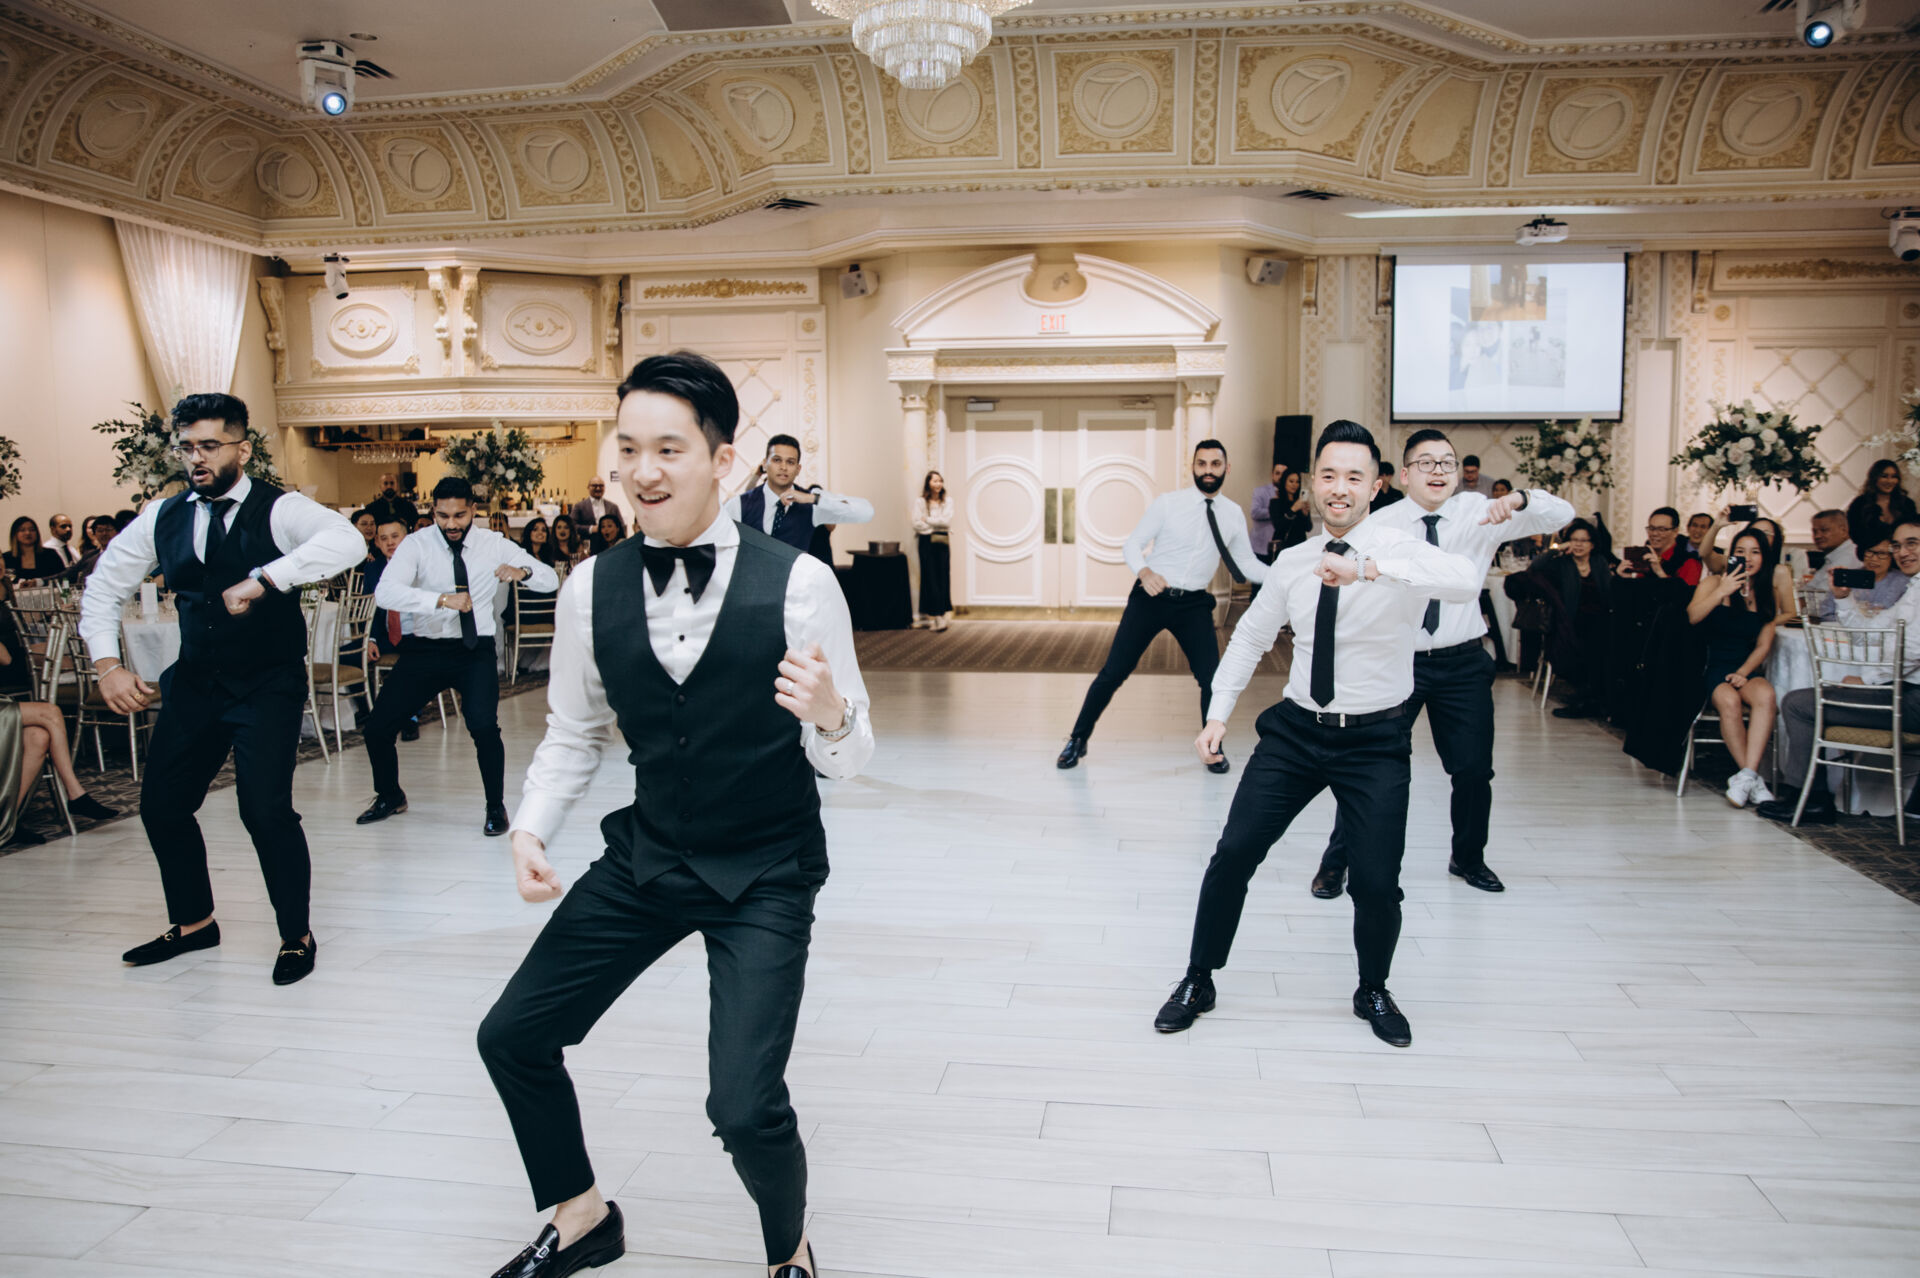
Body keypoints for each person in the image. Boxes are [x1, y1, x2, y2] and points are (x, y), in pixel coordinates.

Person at [476, 351, 871, 1278]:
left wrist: (829, 715)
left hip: (766, 869)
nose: (642, 471)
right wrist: (532, 827)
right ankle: (582, 1216)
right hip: (648, 857)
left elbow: (851, 759)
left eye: (668, 449)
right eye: (628, 448)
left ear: (722, 460)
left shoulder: (800, 583)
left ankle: (789, 1252)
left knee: (743, 1106)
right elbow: (574, 730)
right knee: (513, 1035)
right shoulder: (589, 587)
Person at [1153, 420, 1480, 1047]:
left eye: (1354, 476)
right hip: (1297, 733)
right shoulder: (1295, 561)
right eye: (1328, 475)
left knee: (1377, 882)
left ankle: (1373, 989)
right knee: (1233, 854)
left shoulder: (1401, 550)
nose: (1339, 488)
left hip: (1376, 740)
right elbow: (1251, 636)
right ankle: (1199, 978)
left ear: (1377, 486)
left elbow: (1464, 583)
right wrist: (1217, 713)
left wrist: (1370, 571)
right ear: (1311, 485)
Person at [81, 392, 364, 985]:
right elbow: (103, 589)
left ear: (243, 447)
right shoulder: (163, 516)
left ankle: (296, 935)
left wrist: (264, 578)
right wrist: (108, 664)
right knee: (162, 806)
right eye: (187, 447)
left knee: (264, 811)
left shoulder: (280, 509)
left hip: (267, 684)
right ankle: (194, 924)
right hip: (195, 683)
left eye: (210, 445)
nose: (197, 458)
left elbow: (347, 541)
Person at [1310, 429, 1573, 900]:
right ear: (1404, 474)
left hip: (1462, 662)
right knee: (1370, 767)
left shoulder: (1480, 513)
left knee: (1473, 770)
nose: (1438, 471)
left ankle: (1468, 858)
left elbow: (1563, 515)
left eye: (1447, 463)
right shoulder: (1381, 522)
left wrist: (1519, 499)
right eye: (1426, 463)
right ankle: (1337, 863)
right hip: (1397, 661)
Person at [356, 476, 558, 837]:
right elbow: (386, 592)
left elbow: (549, 579)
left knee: (483, 726)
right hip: (425, 648)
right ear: (434, 511)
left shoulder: (493, 543)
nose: (451, 524)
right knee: (377, 728)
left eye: (459, 516)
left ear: (473, 510)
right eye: (443, 515)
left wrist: (523, 571)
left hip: (474, 650)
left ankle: (495, 807)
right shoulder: (416, 544)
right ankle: (390, 795)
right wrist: (439, 600)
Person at [1057, 439, 1267, 774]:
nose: (1208, 470)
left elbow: (1247, 564)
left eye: (1215, 464)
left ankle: (1212, 748)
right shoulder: (1169, 504)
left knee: (1212, 679)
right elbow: (1133, 544)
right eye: (1202, 464)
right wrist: (1144, 571)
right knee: (1113, 672)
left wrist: (1285, 575)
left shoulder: (1232, 514)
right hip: (1151, 597)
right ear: (1192, 467)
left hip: (1194, 604)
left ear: (1227, 468)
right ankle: (1077, 739)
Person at [1760, 519, 1920, 826]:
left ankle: (1811, 798)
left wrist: (1868, 680)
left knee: (1799, 704)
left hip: (1912, 701)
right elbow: (1868, 633)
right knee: (1802, 701)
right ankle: (1810, 797)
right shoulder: (1914, 589)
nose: (1902, 552)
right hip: (1903, 694)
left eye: (1911, 543)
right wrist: (1844, 597)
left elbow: (1913, 651)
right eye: (1897, 546)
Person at [1687, 527, 1782, 807]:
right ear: (1730, 555)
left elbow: (1763, 645)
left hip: (1745, 667)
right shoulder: (1714, 582)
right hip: (1712, 664)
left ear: (1765, 557)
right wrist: (1723, 591)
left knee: (1766, 695)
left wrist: (1743, 673)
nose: (1747, 558)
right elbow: (1692, 616)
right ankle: (1752, 777)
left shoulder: (1767, 593)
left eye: (1755, 552)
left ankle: (1746, 777)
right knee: (1729, 701)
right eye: (1740, 552)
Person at [724, 435, 874, 558]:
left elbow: (866, 512)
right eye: (777, 460)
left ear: (798, 469)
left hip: (795, 585)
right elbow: (722, 550)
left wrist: (812, 498)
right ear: (764, 464)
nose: (783, 467)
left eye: (790, 462)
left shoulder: (812, 505)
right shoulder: (739, 505)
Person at [1527, 520, 1613, 719]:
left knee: (1605, 646)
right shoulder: (1561, 564)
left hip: (1599, 622)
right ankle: (1583, 699)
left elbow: (1608, 592)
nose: (1579, 545)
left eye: (1584, 540)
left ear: (1592, 544)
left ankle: (1591, 699)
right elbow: (1535, 567)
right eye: (1574, 540)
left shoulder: (1599, 562)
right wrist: (1557, 549)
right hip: (1568, 623)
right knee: (1577, 648)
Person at [361, 516, 422, 742]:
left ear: (407, 538)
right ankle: (370, 710)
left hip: (417, 634)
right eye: (384, 538)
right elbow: (370, 609)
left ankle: (410, 717)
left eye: (395, 536)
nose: (390, 543)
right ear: (377, 542)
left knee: (412, 661)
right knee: (346, 656)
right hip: (386, 635)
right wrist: (371, 639)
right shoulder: (373, 569)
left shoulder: (422, 566)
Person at [1818, 538, 1907, 618]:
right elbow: (1826, 613)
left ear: (1892, 557)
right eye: (1869, 552)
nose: (1874, 559)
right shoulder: (1849, 577)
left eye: (1882, 553)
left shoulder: (1903, 582)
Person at [1617, 506, 1702, 586]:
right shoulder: (1645, 557)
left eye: (1662, 529)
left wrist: (1660, 573)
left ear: (1675, 532)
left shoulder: (1689, 562)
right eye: (1651, 528)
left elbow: (1686, 594)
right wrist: (1627, 579)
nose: (1654, 533)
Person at [1847, 460, 1918, 553]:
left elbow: (1913, 532)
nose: (1889, 481)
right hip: (1871, 555)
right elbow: (1855, 534)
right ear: (1874, 478)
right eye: (1884, 476)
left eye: (1894, 477)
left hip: (1902, 554)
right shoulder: (1859, 504)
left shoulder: (1907, 504)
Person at [913, 469, 952, 631]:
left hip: (942, 541)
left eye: (940, 481)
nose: (938, 484)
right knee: (930, 577)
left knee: (943, 576)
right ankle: (935, 616)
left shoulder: (947, 501)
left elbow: (946, 522)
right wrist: (935, 525)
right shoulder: (920, 502)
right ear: (928, 483)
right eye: (935, 481)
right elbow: (916, 523)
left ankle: (941, 615)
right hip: (926, 542)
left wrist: (928, 520)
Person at [3, 517, 63, 581]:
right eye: (22, 530)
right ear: (15, 534)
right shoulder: (6, 558)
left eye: (32, 530)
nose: (28, 533)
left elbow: (62, 577)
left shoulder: (50, 554)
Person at [1269, 468, 1312, 555]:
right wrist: (1293, 509)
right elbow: (1278, 526)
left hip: (1300, 547)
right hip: (1283, 547)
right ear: (1284, 482)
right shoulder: (1276, 502)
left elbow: (1308, 528)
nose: (1295, 485)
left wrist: (1305, 514)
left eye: (1297, 482)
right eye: (1291, 481)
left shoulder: (1300, 502)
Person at [1249, 462, 1285, 560]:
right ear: (1272, 475)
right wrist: (1275, 512)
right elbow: (1255, 512)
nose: (1280, 477)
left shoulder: (1291, 494)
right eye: (1277, 473)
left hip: (1282, 546)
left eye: (1283, 474)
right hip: (1261, 545)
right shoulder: (1260, 491)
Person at [570, 476, 626, 540]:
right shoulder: (579, 506)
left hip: (610, 544)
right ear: (588, 487)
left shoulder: (613, 507)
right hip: (588, 543)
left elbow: (622, 526)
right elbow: (571, 526)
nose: (598, 488)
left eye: (601, 486)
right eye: (595, 486)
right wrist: (591, 529)